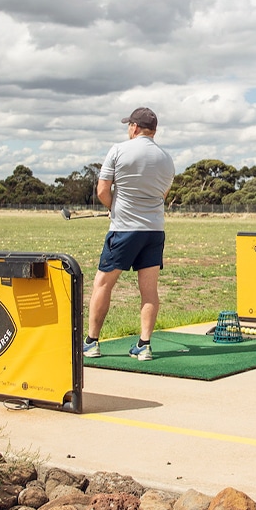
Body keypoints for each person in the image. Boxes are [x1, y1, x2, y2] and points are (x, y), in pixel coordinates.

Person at [83, 107, 176, 361]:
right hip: (154, 231)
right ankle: (144, 345)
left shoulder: (118, 150)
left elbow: (103, 190)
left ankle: (91, 342)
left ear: (135, 127)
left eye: (129, 125)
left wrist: (113, 207)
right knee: (149, 291)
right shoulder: (167, 158)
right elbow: (162, 196)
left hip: (124, 230)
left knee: (103, 284)